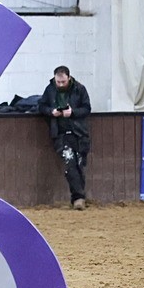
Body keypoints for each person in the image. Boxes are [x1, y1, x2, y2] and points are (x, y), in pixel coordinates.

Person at [37, 65, 91, 209]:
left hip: (79, 133)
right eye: (58, 82)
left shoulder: (80, 89)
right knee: (70, 164)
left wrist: (73, 112)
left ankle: (79, 197)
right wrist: (51, 111)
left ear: (69, 78)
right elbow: (41, 106)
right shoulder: (50, 89)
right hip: (60, 134)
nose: (60, 84)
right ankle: (78, 198)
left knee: (80, 165)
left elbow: (87, 108)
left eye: (63, 82)